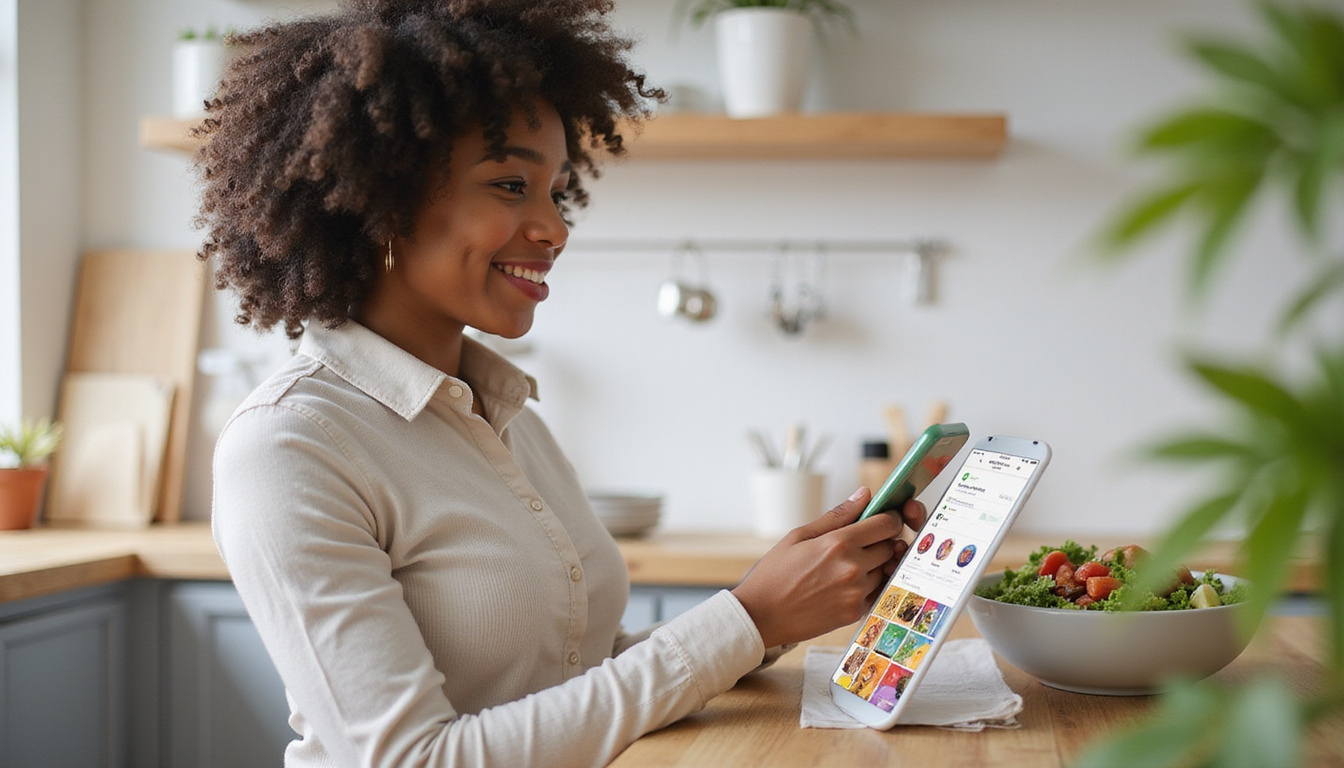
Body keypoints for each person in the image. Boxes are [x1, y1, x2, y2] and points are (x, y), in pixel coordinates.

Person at [199, 1, 925, 766]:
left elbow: (578, 678)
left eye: (555, 191)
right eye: (512, 185)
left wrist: (774, 613)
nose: (555, 228)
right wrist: (746, 617)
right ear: (381, 198)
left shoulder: (506, 415)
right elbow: (413, 758)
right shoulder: (290, 445)